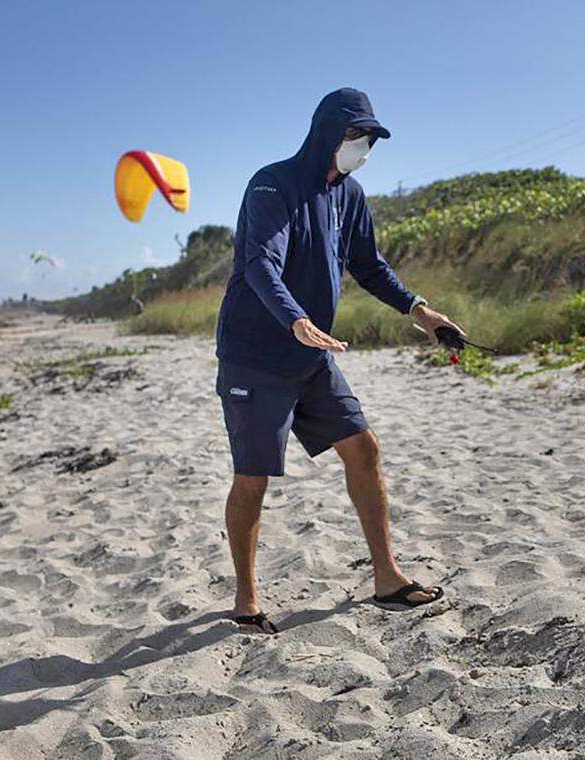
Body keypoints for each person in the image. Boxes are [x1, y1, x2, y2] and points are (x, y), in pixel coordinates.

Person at [215, 88, 463, 634]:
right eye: (356, 136)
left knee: (363, 447)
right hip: (256, 355)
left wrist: (421, 311)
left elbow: (369, 265)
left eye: (369, 139)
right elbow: (261, 263)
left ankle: (386, 577)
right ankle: (245, 598)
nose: (363, 147)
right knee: (253, 475)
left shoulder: (349, 195)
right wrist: (294, 319)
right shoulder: (271, 184)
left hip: (313, 354)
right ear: (327, 133)